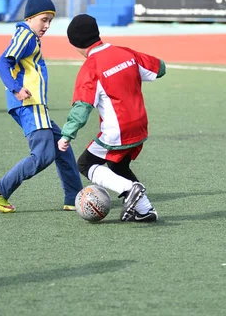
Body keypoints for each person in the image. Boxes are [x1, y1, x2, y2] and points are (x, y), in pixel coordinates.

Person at [57, 14, 166, 222]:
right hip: (140, 126)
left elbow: (82, 107)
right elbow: (160, 69)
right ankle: (145, 211)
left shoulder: (90, 67)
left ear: (76, 44)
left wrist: (66, 136)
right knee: (118, 165)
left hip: (118, 130)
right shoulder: (125, 53)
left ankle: (129, 188)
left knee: (85, 164)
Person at [0, 0, 83, 213]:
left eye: (50, 21)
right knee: (43, 154)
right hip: (29, 104)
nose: (47, 25)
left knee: (62, 147)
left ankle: (73, 198)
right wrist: (16, 88)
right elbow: (2, 62)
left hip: (36, 105)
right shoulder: (26, 34)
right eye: (43, 19)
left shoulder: (29, 36)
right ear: (30, 18)